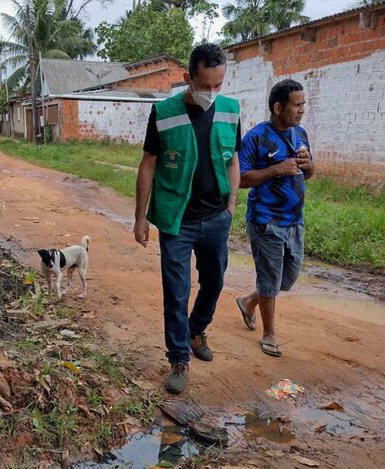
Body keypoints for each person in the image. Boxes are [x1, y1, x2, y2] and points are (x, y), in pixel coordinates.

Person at [133, 43, 241, 393]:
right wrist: (140, 218)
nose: (212, 92)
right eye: (205, 84)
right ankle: (179, 357)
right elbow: (148, 164)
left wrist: (232, 205)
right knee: (176, 292)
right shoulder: (164, 113)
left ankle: (196, 330)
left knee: (215, 282)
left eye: (218, 85)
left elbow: (234, 160)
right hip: (176, 221)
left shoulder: (230, 110)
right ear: (187, 79)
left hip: (216, 217)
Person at [235, 79, 314, 357]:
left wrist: (309, 165)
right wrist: (277, 169)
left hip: (294, 222)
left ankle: (249, 301)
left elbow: (309, 173)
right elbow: (241, 178)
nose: (302, 110)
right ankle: (269, 334)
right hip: (265, 221)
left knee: (286, 279)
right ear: (278, 107)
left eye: (303, 104)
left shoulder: (301, 134)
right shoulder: (256, 138)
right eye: (297, 105)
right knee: (270, 279)